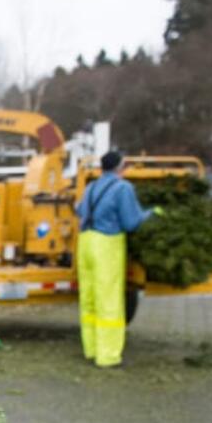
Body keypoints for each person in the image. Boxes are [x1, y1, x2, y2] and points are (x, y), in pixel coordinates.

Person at [74, 150, 154, 368]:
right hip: (106, 245)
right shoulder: (122, 187)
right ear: (121, 167)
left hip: (85, 243)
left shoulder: (91, 187)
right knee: (108, 300)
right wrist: (153, 213)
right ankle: (108, 357)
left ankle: (91, 350)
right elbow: (131, 222)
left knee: (89, 299)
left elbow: (78, 210)